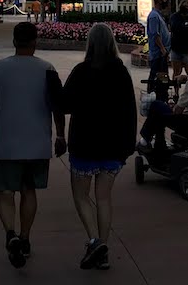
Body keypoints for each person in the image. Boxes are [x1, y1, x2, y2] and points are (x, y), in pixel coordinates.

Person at [0, 22, 66, 270]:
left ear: (14, 42)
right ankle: (25, 238)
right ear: (35, 42)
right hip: (38, 144)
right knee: (29, 190)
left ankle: (10, 234)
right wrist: (60, 136)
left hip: (7, 145)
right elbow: (57, 107)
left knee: (5, 192)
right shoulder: (47, 69)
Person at [61, 24, 136, 271]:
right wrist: (127, 144)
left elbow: (65, 104)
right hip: (114, 145)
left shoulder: (81, 71)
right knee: (104, 198)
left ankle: (94, 241)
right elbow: (129, 110)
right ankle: (102, 247)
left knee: (82, 196)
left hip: (85, 143)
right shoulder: (121, 73)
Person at [146, 0, 171, 80]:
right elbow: (155, 35)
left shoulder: (159, 15)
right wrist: (162, 49)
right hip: (158, 53)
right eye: (164, 0)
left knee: (163, 76)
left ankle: (162, 92)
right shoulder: (154, 16)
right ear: (159, 1)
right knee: (156, 76)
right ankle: (151, 92)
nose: (166, 2)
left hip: (162, 53)